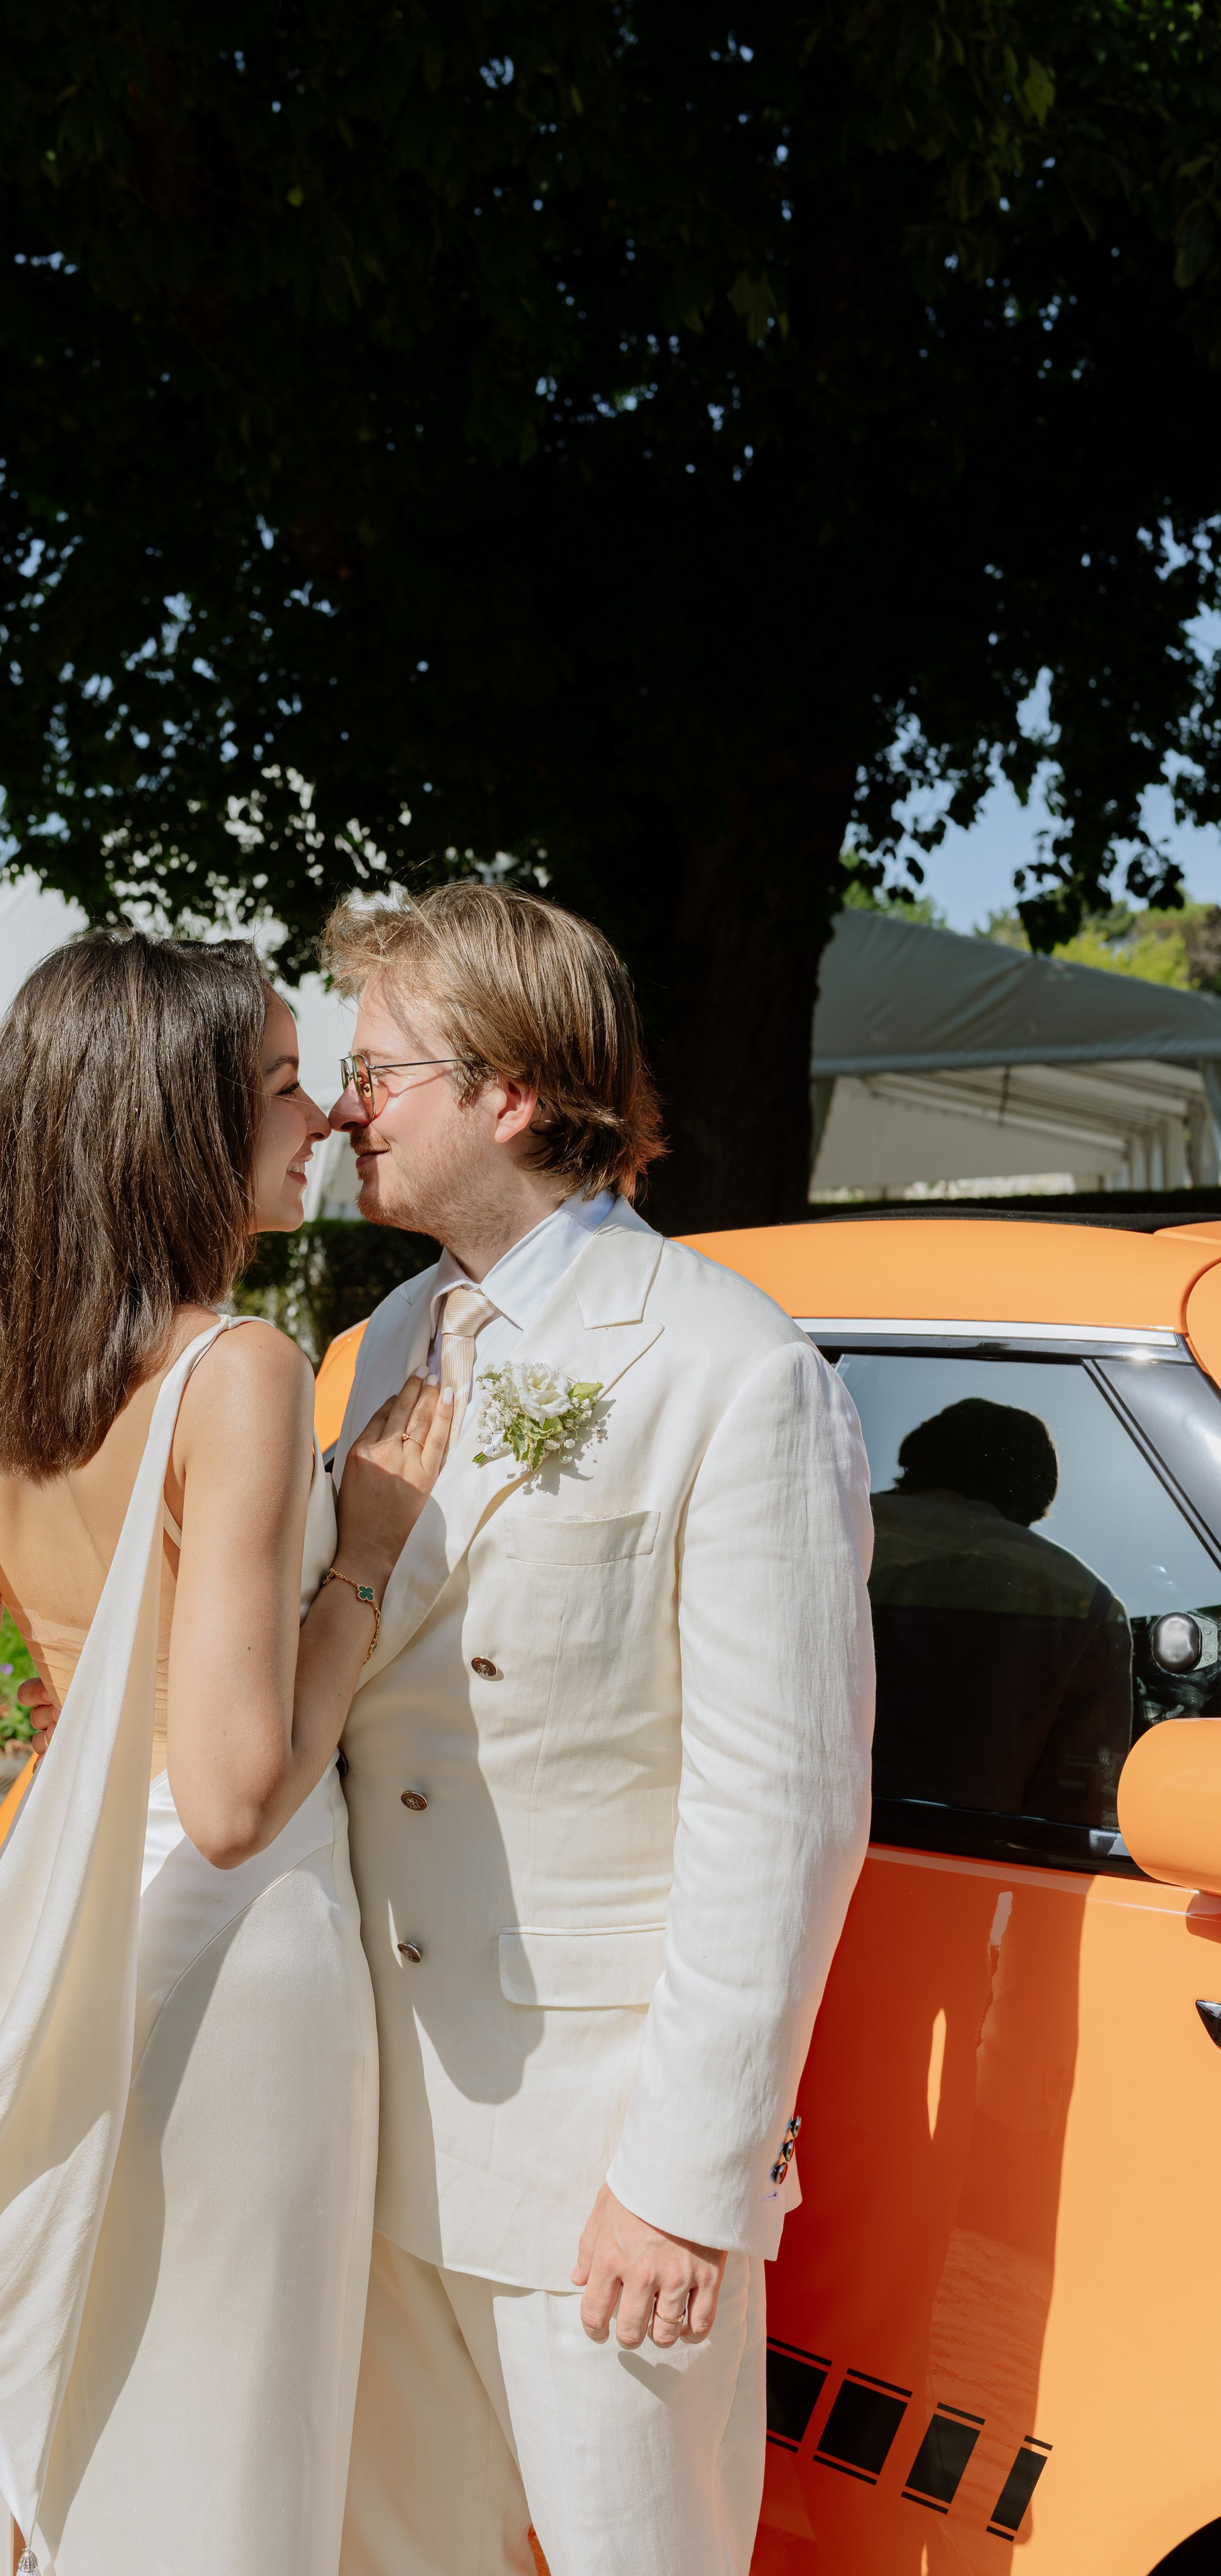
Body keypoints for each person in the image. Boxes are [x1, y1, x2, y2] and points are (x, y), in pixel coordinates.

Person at [0, 932, 452, 2576]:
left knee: (90, 2420)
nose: (326, 1113)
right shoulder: (238, 1368)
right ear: (170, 1120)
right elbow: (230, 1795)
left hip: (58, 1947)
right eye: (280, 1082)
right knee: (227, 2442)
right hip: (230, 1972)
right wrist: (371, 1547)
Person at [320, 882, 875, 2576]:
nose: (346, 1106)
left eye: (376, 1068)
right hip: (375, 2134)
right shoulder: (391, 1336)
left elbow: (776, 1807)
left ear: (503, 1090)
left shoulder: (727, 1365)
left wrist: (683, 2177)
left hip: (589, 2169)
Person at [867, 1395, 1133, 1826]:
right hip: (967, 1856)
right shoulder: (1084, 1599)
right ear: (1033, 1492)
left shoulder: (830, 1525)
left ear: (915, 1458)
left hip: (798, 1835)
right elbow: (1081, 1803)